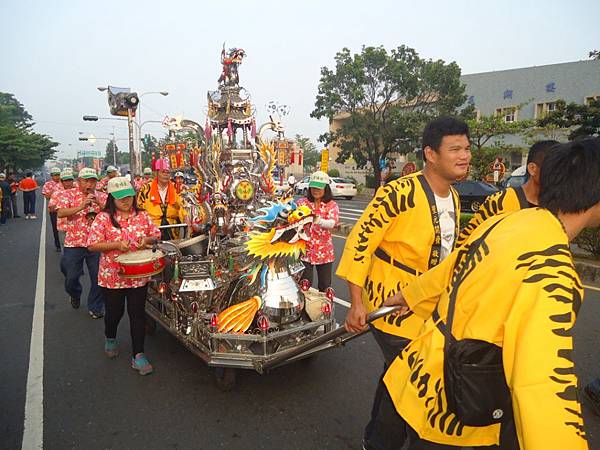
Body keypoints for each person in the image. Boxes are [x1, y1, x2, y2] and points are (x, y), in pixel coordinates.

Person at [378, 138, 600, 450]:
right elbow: (544, 382)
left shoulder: (512, 222)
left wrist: (410, 296)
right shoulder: (552, 267)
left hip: (426, 378)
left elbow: (456, 264)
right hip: (466, 408)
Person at [336, 117, 470, 450]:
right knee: (415, 374)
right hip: (391, 304)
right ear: (431, 154)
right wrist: (356, 302)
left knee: (398, 375)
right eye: (455, 149)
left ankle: (378, 439)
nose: (465, 155)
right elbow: (360, 243)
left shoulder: (453, 198)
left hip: (429, 306)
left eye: (466, 148)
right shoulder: (398, 192)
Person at [87, 177, 161, 376]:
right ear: (112, 198)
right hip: (113, 275)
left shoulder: (142, 216)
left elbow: (156, 236)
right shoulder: (103, 218)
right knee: (114, 313)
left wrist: (147, 239)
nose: (126, 201)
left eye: (129, 197)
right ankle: (110, 336)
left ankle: (138, 354)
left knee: (137, 314)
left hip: (139, 274)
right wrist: (117, 245)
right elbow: (93, 245)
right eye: (121, 198)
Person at [456, 140, 559, 246]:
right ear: (533, 169)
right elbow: (464, 243)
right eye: (556, 169)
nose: (561, 175)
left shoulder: (561, 207)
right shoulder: (500, 202)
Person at [56, 167, 107, 319]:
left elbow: (111, 213)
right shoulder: (68, 194)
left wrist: (98, 202)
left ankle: (95, 306)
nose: (89, 184)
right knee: (71, 276)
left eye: (93, 181)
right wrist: (81, 206)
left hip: (96, 243)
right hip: (74, 242)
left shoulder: (102, 196)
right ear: (79, 181)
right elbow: (60, 212)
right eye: (86, 181)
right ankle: (75, 293)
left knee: (98, 276)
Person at [297, 171, 339, 291]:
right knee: (304, 284)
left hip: (324, 251)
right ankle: (304, 309)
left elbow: (332, 223)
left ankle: (325, 308)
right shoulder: (302, 203)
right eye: (313, 187)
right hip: (305, 250)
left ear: (326, 188)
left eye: (319, 188)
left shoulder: (331, 205)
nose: (315, 190)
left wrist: (317, 220)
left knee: (325, 285)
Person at [136, 158, 186, 240]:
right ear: (156, 173)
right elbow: (139, 209)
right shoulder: (146, 189)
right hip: (152, 230)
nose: (166, 174)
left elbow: (183, 208)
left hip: (173, 229)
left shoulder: (176, 188)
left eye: (168, 172)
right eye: (163, 172)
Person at [49, 168, 75, 240]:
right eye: (65, 181)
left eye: (70, 180)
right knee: (65, 247)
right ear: (62, 182)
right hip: (63, 225)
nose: (68, 183)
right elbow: (51, 208)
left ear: (73, 180)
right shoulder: (57, 193)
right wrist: (64, 207)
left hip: (78, 226)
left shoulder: (78, 192)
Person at [42, 167, 64, 251]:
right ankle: (58, 245)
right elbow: (46, 196)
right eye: (55, 175)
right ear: (51, 176)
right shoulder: (48, 184)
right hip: (54, 209)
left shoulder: (64, 183)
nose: (57, 177)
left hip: (65, 208)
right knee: (56, 228)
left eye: (58, 175)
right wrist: (55, 190)